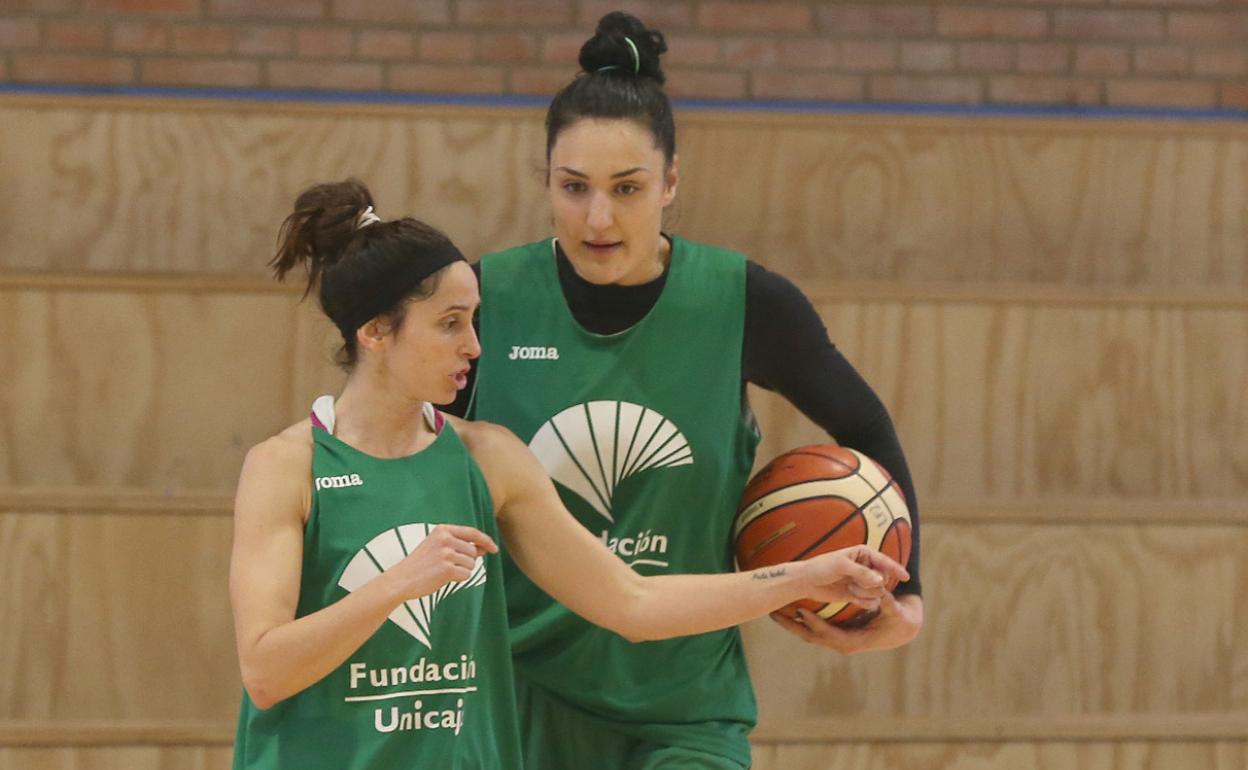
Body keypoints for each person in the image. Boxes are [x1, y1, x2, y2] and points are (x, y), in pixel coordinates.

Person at [228, 179, 908, 769]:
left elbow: (632, 604)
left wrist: (805, 575)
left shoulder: (489, 459)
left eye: (475, 320)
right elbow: (265, 670)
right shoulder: (287, 468)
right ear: (376, 333)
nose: (475, 346)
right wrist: (398, 583)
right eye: (450, 323)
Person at [448, 11, 925, 770]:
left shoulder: (744, 301)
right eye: (574, 188)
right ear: (546, 181)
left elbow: (863, 421)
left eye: (627, 188)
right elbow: (402, 462)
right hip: (518, 699)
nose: (598, 217)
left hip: (686, 711)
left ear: (671, 182)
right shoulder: (484, 298)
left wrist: (908, 595)